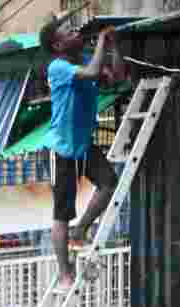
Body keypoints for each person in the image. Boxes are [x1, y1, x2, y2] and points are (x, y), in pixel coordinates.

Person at [40, 18, 128, 291]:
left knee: (109, 184)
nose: (76, 31)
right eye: (69, 31)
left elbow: (118, 77)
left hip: (82, 145)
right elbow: (91, 74)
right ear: (58, 44)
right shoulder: (58, 67)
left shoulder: (88, 59)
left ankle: (81, 230)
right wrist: (102, 42)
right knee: (62, 213)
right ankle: (65, 273)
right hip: (61, 149)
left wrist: (114, 47)